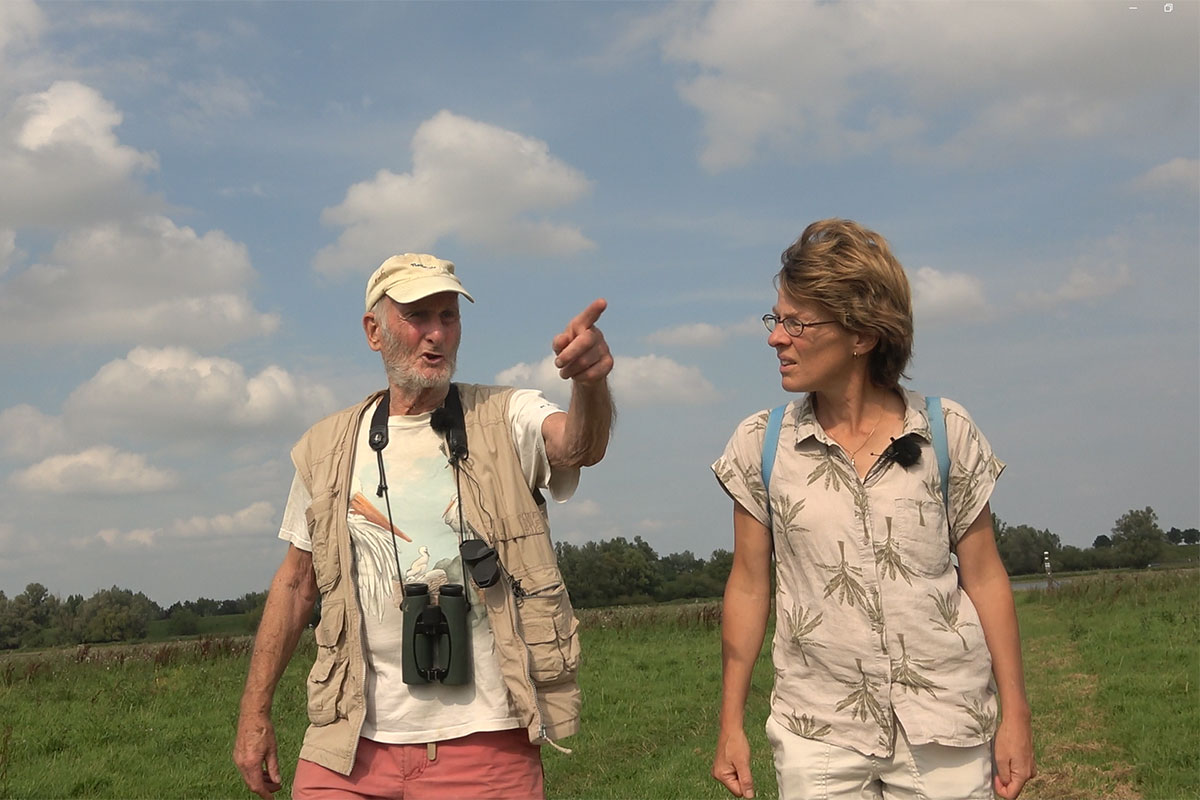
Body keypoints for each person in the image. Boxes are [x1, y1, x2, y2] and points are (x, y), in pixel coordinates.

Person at [233, 253, 614, 800]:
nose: (436, 334)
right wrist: (254, 712)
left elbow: (579, 444)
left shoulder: (506, 415)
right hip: (349, 744)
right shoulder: (325, 449)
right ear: (374, 330)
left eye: (449, 317)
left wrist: (590, 386)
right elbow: (296, 584)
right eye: (418, 317)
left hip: (486, 741)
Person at [710, 220, 1035, 800]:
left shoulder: (945, 431)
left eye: (795, 322)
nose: (775, 338)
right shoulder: (760, 445)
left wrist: (1017, 715)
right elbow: (749, 586)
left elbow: (985, 578)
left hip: (945, 724)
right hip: (819, 730)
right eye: (775, 319)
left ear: (861, 335)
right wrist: (730, 723)